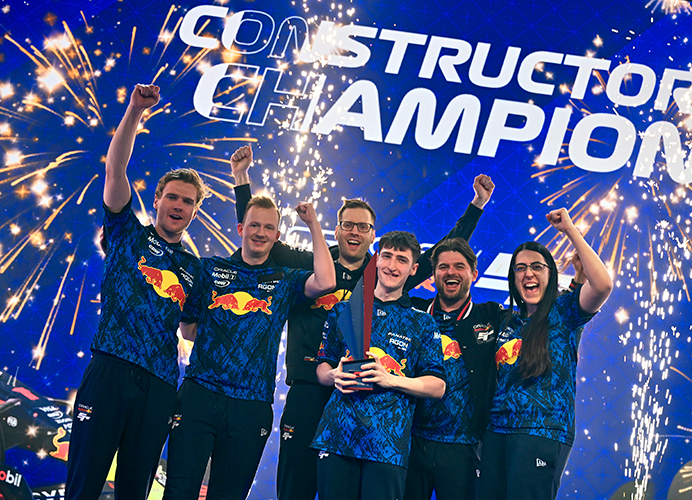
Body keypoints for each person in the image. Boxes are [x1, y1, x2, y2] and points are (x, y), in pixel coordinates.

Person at [232, 162, 494, 500]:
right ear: (337, 230)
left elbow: (437, 253)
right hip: (311, 387)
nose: (355, 232)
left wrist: (476, 206)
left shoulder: (383, 271)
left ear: (373, 236)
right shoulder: (313, 264)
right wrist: (242, 182)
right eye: (348, 225)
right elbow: (258, 237)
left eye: (363, 226)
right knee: (295, 488)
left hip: (364, 403)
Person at [162, 146, 336, 499]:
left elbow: (327, 281)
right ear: (241, 228)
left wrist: (314, 224)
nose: (260, 232)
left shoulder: (285, 279)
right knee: (179, 491)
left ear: (277, 236)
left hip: (251, 406)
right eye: (254, 225)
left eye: (269, 228)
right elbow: (188, 329)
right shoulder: (210, 269)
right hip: (199, 396)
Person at [66, 84, 208, 499]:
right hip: (108, 371)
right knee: (83, 484)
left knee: (135, 490)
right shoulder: (126, 232)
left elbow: (190, 330)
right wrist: (134, 111)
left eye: (187, 202)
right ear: (158, 199)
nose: (178, 206)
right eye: (172, 197)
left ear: (195, 211)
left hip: (158, 386)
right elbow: (115, 169)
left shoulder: (195, 269)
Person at [478, 208, 613, 500]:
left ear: (550, 274)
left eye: (537, 266)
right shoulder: (506, 321)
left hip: (542, 433)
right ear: (513, 279)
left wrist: (570, 230)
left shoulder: (565, 312)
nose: (528, 273)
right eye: (520, 268)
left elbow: (603, 285)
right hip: (496, 433)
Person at [312, 231, 446, 500]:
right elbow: (322, 367)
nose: (392, 266)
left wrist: (390, 379)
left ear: (413, 269)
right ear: (376, 259)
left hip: (388, 446)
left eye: (401, 260)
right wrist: (334, 375)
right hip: (336, 436)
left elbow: (438, 386)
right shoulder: (344, 309)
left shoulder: (422, 322)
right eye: (387, 256)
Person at [405, 238, 505, 500]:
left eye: (459, 266)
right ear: (432, 274)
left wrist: (576, 285)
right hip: (410, 441)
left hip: (464, 447)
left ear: (474, 274)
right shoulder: (413, 311)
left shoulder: (491, 316)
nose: (451, 272)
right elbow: (382, 287)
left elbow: (538, 314)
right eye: (443, 267)